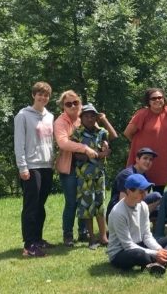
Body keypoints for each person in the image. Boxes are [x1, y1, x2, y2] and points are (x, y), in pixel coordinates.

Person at [107, 174, 167, 275]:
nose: (145, 195)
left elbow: (146, 235)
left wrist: (159, 250)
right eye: (141, 192)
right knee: (139, 254)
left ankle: (159, 261)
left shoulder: (143, 206)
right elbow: (128, 245)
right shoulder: (118, 212)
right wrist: (156, 253)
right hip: (121, 252)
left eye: (145, 191)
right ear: (129, 191)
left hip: (139, 243)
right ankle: (166, 258)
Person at [14, 82, 54, 257]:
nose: (42, 97)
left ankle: (37, 239)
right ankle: (29, 245)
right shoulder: (23, 115)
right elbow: (19, 143)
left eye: (46, 95)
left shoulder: (50, 116)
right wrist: (22, 167)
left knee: (40, 205)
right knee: (31, 206)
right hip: (31, 166)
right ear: (33, 95)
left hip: (47, 166)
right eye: (39, 94)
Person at [54, 90, 98, 246]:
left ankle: (83, 232)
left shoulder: (85, 116)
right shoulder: (60, 122)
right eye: (68, 104)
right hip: (69, 168)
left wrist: (104, 143)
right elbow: (63, 143)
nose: (73, 106)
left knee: (85, 200)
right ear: (63, 106)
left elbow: (97, 132)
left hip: (87, 167)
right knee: (72, 201)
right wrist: (84, 148)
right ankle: (68, 235)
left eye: (76, 102)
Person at [72, 104, 116, 249]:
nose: (90, 119)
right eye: (86, 116)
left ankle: (103, 237)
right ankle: (92, 238)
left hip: (99, 175)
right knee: (86, 207)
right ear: (81, 118)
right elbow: (77, 155)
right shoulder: (77, 133)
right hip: (84, 176)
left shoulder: (101, 132)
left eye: (92, 116)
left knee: (100, 205)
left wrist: (104, 120)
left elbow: (112, 140)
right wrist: (98, 154)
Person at [124, 88, 167, 193]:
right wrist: (139, 144)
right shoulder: (142, 114)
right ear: (148, 101)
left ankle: (155, 210)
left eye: (160, 97)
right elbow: (127, 133)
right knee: (140, 192)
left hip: (161, 160)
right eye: (153, 98)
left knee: (158, 195)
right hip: (144, 159)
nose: (157, 100)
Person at [106, 147, 162, 222]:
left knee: (157, 198)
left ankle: (154, 228)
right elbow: (123, 202)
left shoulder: (143, 175)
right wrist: (154, 205)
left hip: (133, 206)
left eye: (150, 159)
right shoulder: (127, 175)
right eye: (145, 158)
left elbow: (143, 198)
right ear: (137, 159)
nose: (148, 161)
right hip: (117, 214)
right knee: (157, 199)